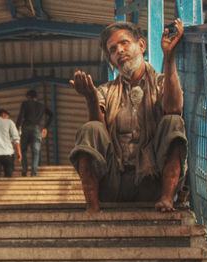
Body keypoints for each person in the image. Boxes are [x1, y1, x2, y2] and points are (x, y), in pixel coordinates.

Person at [69, 18, 187, 213]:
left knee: (173, 121)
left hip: (152, 183)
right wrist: (90, 98)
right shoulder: (105, 91)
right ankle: (92, 206)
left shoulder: (161, 82)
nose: (119, 51)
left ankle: (167, 199)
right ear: (111, 60)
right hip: (114, 183)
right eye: (113, 50)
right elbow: (99, 131)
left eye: (124, 43)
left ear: (141, 45)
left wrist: (169, 58)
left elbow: (174, 108)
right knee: (90, 128)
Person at [16, 89, 53, 177]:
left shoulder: (25, 104)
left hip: (26, 128)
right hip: (37, 129)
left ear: (28, 97)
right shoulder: (42, 106)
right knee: (36, 152)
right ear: (36, 97)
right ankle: (33, 173)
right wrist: (45, 127)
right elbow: (51, 114)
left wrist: (18, 128)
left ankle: (25, 168)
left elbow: (21, 116)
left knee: (23, 150)